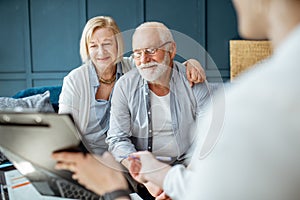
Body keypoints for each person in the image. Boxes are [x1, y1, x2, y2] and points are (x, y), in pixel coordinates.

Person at [58, 16, 206, 155]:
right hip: (90, 156)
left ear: (118, 45)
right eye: (93, 46)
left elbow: (160, 65)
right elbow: (64, 131)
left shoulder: (133, 67)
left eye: (107, 44)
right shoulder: (75, 80)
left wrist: (190, 64)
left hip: (124, 155)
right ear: (87, 49)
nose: (101, 51)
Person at [105, 21, 211, 198]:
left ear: (171, 50)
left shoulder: (193, 81)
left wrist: (180, 182)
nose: (144, 60)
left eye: (151, 51)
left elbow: (206, 138)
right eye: (137, 54)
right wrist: (148, 178)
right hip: (142, 172)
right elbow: (117, 139)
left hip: (187, 168)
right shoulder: (124, 86)